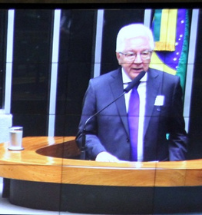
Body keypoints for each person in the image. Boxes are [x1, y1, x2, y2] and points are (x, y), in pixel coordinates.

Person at [78, 23, 187, 163]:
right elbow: (85, 134)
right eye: (131, 54)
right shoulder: (98, 87)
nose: (138, 61)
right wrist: (100, 154)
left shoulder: (169, 85)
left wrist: (172, 170)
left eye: (145, 53)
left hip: (155, 176)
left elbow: (178, 135)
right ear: (119, 57)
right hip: (112, 175)